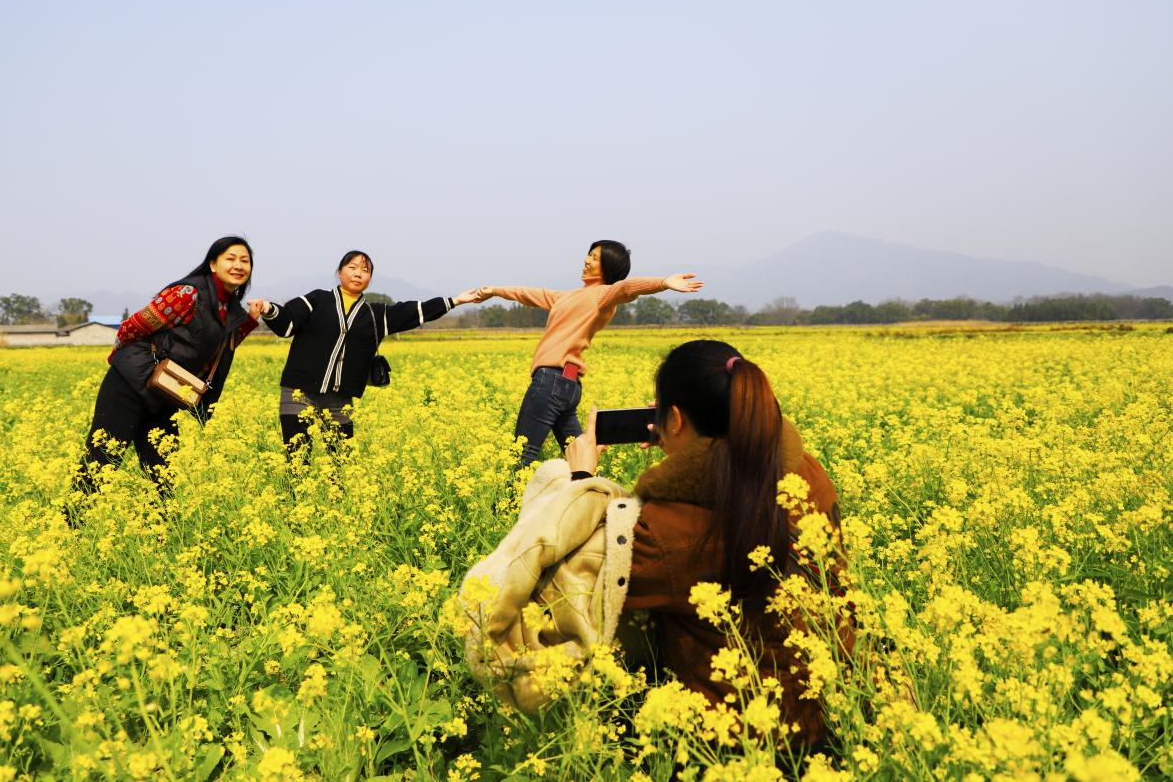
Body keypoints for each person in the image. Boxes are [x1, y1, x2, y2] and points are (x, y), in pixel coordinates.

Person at [461, 340, 851, 753]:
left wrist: (578, 479)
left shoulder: (671, 533)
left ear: (676, 418)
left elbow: (572, 586)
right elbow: (723, 477)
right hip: (831, 711)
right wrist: (680, 445)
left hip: (736, 744)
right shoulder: (804, 470)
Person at [474, 240, 703, 467]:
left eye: (595, 258)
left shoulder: (603, 295)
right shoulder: (567, 297)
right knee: (582, 459)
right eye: (589, 255)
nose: (586, 260)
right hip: (567, 386)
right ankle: (597, 499)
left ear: (608, 267)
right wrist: (494, 291)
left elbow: (626, 288)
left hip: (550, 382)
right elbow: (529, 294)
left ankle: (513, 504)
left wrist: (663, 282)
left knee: (521, 457)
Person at [75, 236, 262, 496]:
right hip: (129, 384)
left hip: (165, 392)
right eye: (230, 258)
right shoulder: (189, 293)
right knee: (102, 460)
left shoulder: (228, 308)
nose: (238, 265)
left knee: (162, 470)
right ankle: (72, 525)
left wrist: (250, 321)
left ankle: (160, 533)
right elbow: (132, 327)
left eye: (245, 260)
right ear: (212, 264)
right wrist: (128, 364)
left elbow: (215, 350)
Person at [247, 250, 478, 452]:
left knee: (340, 465)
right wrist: (268, 308)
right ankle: (295, 502)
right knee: (297, 458)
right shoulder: (317, 300)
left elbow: (413, 311)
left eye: (365, 270)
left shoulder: (375, 314)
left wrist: (455, 300)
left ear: (369, 278)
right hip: (298, 393)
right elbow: (287, 323)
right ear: (340, 272)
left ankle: (336, 504)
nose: (358, 273)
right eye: (352, 267)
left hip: (340, 398)